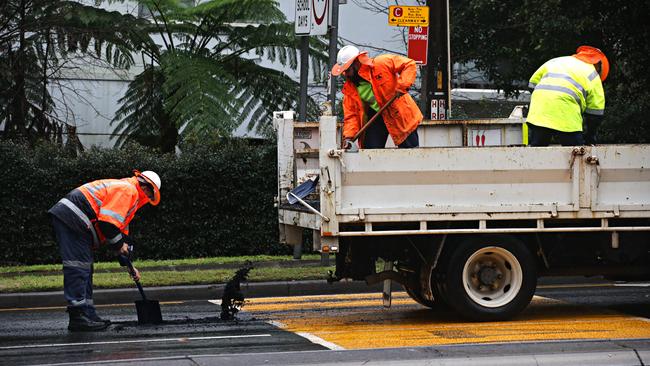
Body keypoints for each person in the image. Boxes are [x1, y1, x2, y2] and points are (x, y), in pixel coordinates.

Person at [48, 170, 161, 331]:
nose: (149, 196)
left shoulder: (128, 199)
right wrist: (119, 244)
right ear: (143, 185)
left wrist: (130, 265)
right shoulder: (128, 190)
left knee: (85, 267)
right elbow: (107, 225)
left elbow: (120, 238)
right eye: (150, 192)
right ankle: (78, 316)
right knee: (78, 266)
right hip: (73, 217)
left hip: (76, 219)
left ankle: (88, 313)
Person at [331, 45, 423, 149]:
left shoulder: (382, 63)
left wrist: (402, 86)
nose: (345, 74)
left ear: (356, 63)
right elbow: (351, 116)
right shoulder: (349, 89)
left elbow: (409, 64)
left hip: (399, 113)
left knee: (411, 154)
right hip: (374, 118)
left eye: (347, 70)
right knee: (370, 153)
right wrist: (348, 137)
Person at [526, 45, 609, 146]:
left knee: (536, 154)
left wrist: (547, 101)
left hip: (539, 113)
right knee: (576, 154)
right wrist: (590, 138)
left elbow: (532, 84)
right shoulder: (592, 74)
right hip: (567, 116)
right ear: (598, 65)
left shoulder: (556, 61)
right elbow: (595, 113)